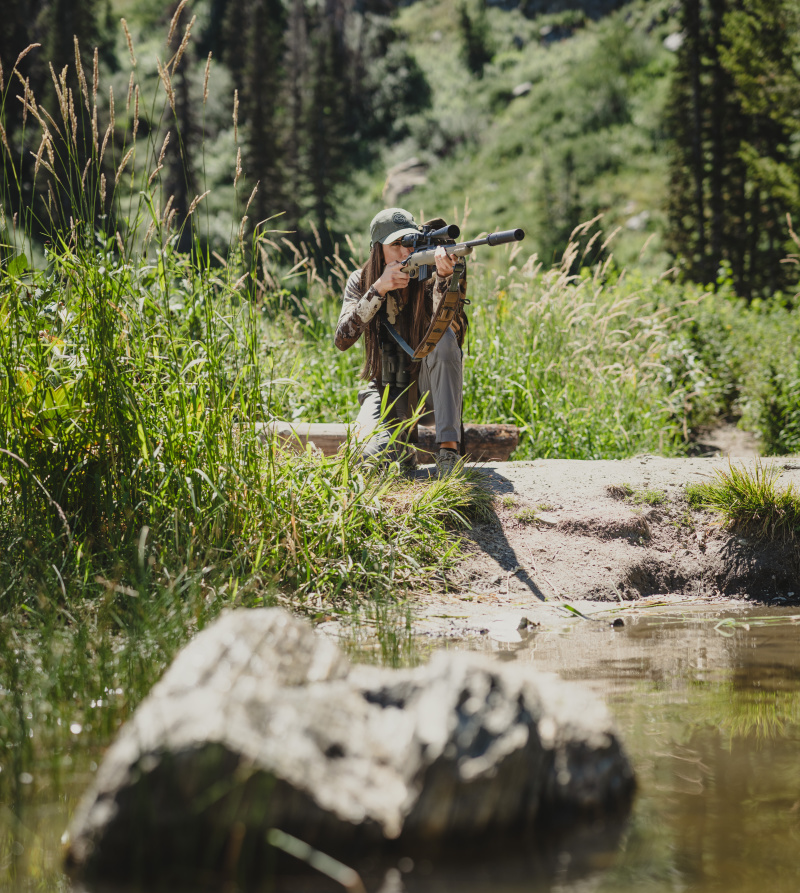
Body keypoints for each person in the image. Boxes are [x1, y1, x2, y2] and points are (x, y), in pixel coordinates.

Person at [334, 208, 468, 475]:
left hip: (430, 387)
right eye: (395, 244)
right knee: (363, 461)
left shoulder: (431, 272)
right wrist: (379, 289)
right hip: (387, 388)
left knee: (443, 340)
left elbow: (449, 329)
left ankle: (448, 453)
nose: (405, 251)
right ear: (377, 249)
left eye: (409, 242)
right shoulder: (361, 281)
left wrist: (444, 279)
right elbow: (342, 339)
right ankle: (402, 450)